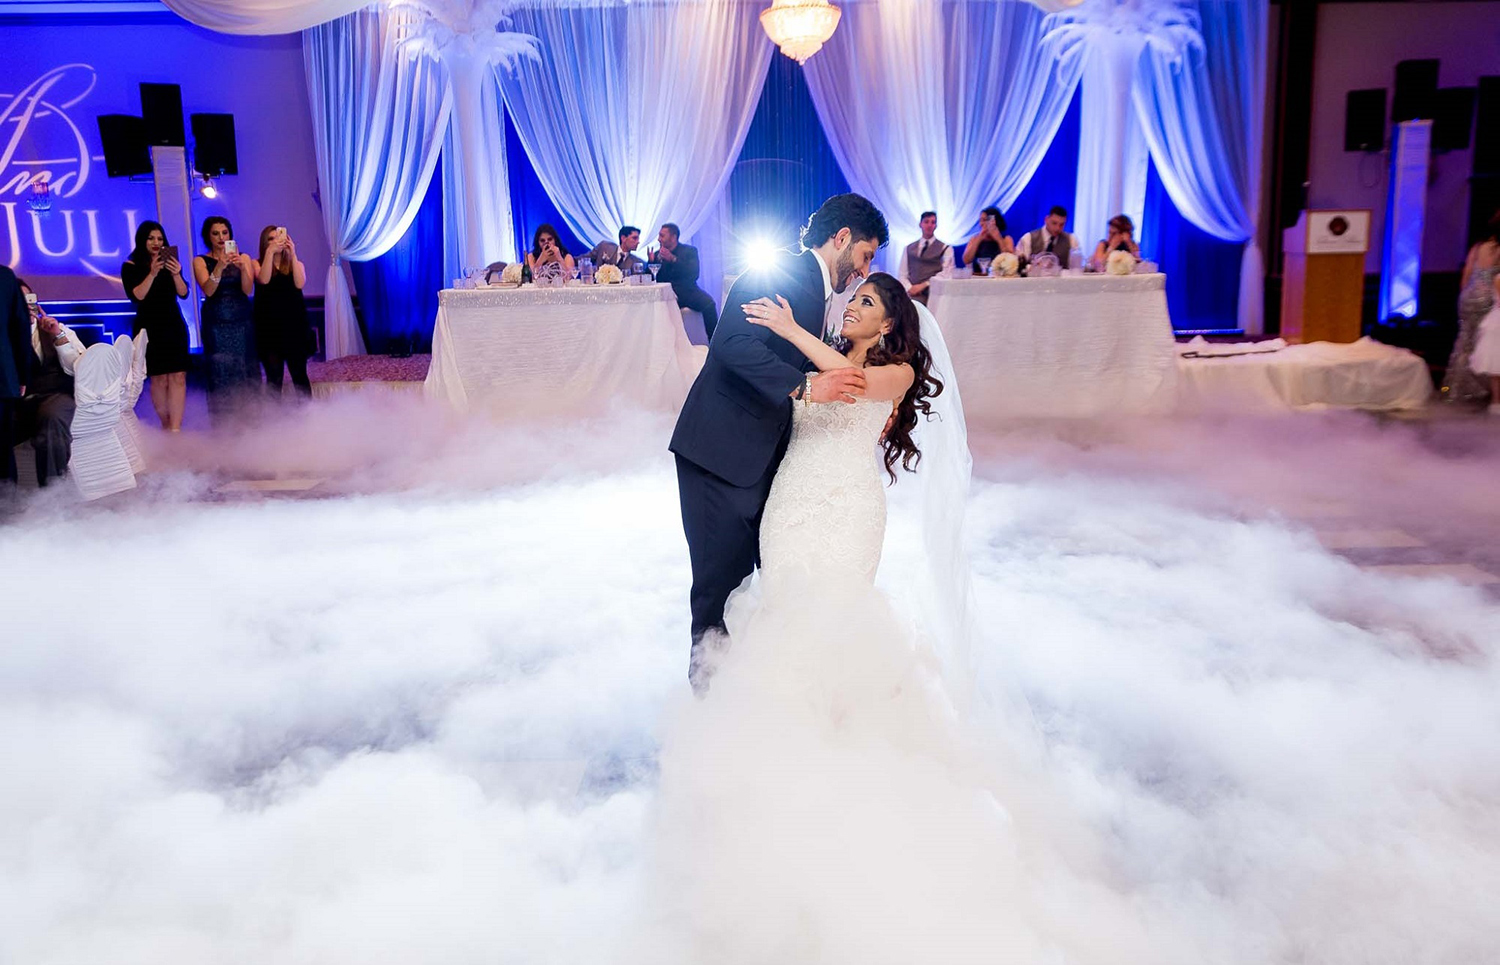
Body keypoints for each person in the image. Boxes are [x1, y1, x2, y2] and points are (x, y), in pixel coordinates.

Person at [669, 192, 887, 687]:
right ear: (842, 237)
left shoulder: (820, 293)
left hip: (762, 463)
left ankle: (748, 695)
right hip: (720, 455)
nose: (864, 270)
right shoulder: (783, 271)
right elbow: (731, 344)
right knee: (718, 594)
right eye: (865, 255)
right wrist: (806, 386)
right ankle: (707, 704)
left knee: (749, 594)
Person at [121, 221, 189, 431]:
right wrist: (152, 273)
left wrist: (176, 273)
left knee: (178, 376)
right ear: (142, 240)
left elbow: (184, 293)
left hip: (173, 324)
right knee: (159, 378)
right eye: (151, 238)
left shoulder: (170, 264)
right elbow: (138, 296)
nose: (156, 242)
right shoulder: (130, 266)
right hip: (149, 326)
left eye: (159, 238)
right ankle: (165, 425)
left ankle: (176, 430)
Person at [16, 279, 84, 486]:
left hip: (57, 395)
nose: (26, 306)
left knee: (52, 417)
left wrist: (58, 337)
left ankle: (53, 493)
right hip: (18, 402)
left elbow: (79, 367)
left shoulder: (59, 329)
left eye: (29, 299)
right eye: (18, 300)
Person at [193, 216, 259, 416]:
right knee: (220, 368)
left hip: (241, 320)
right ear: (208, 236)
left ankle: (250, 417)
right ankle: (223, 420)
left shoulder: (244, 257)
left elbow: (247, 290)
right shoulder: (200, 260)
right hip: (216, 322)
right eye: (215, 233)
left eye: (224, 233)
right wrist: (220, 266)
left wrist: (243, 269)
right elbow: (208, 290)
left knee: (245, 366)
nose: (221, 237)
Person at [1443, 210, 1500, 407]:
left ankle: (1453, 390)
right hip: (1489, 299)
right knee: (1486, 347)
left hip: (1468, 297)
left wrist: (1464, 296)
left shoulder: (1477, 247)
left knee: (1464, 343)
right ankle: (1483, 391)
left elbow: (1466, 273)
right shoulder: (1498, 250)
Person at [253, 225, 312, 397]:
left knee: (300, 375)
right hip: (269, 328)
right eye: (270, 239)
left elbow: (300, 284)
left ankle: (308, 411)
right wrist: (270, 253)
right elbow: (264, 279)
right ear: (264, 243)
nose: (275, 242)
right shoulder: (256, 264)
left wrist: (293, 254)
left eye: (278, 237)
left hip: (294, 326)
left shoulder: (296, 264)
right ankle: (273, 413)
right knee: (274, 377)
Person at [651, 222, 720, 338]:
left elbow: (694, 273)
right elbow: (653, 278)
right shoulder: (657, 254)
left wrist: (673, 259)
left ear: (673, 237)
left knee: (709, 304)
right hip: (666, 294)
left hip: (687, 291)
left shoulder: (689, 251)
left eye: (662, 236)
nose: (658, 239)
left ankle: (715, 342)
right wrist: (651, 262)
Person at [0, 265, 30, 485]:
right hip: (3, 377)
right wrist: (21, 375)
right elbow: (20, 328)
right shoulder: (5, 277)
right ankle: (9, 501)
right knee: (2, 448)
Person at [899, 210, 954, 305]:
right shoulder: (908, 248)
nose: (929, 225)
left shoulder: (945, 248)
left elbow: (947, 273)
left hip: (934, 295)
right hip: (911, 296)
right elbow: (902, 273)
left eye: (933, 222)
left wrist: (924, 285)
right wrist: (910, 288)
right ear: (920, 224)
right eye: (926, 222)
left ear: (936, 226)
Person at [962, 206, 1013, 272]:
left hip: (999, 275)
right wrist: (979, 239)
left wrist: (999, 239)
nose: (981, 224)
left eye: (985, 220)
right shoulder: (974, 239)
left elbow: (1010, 261)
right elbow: (966, 260)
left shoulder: (1006, 239)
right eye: (980, 220)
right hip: (979, 275)